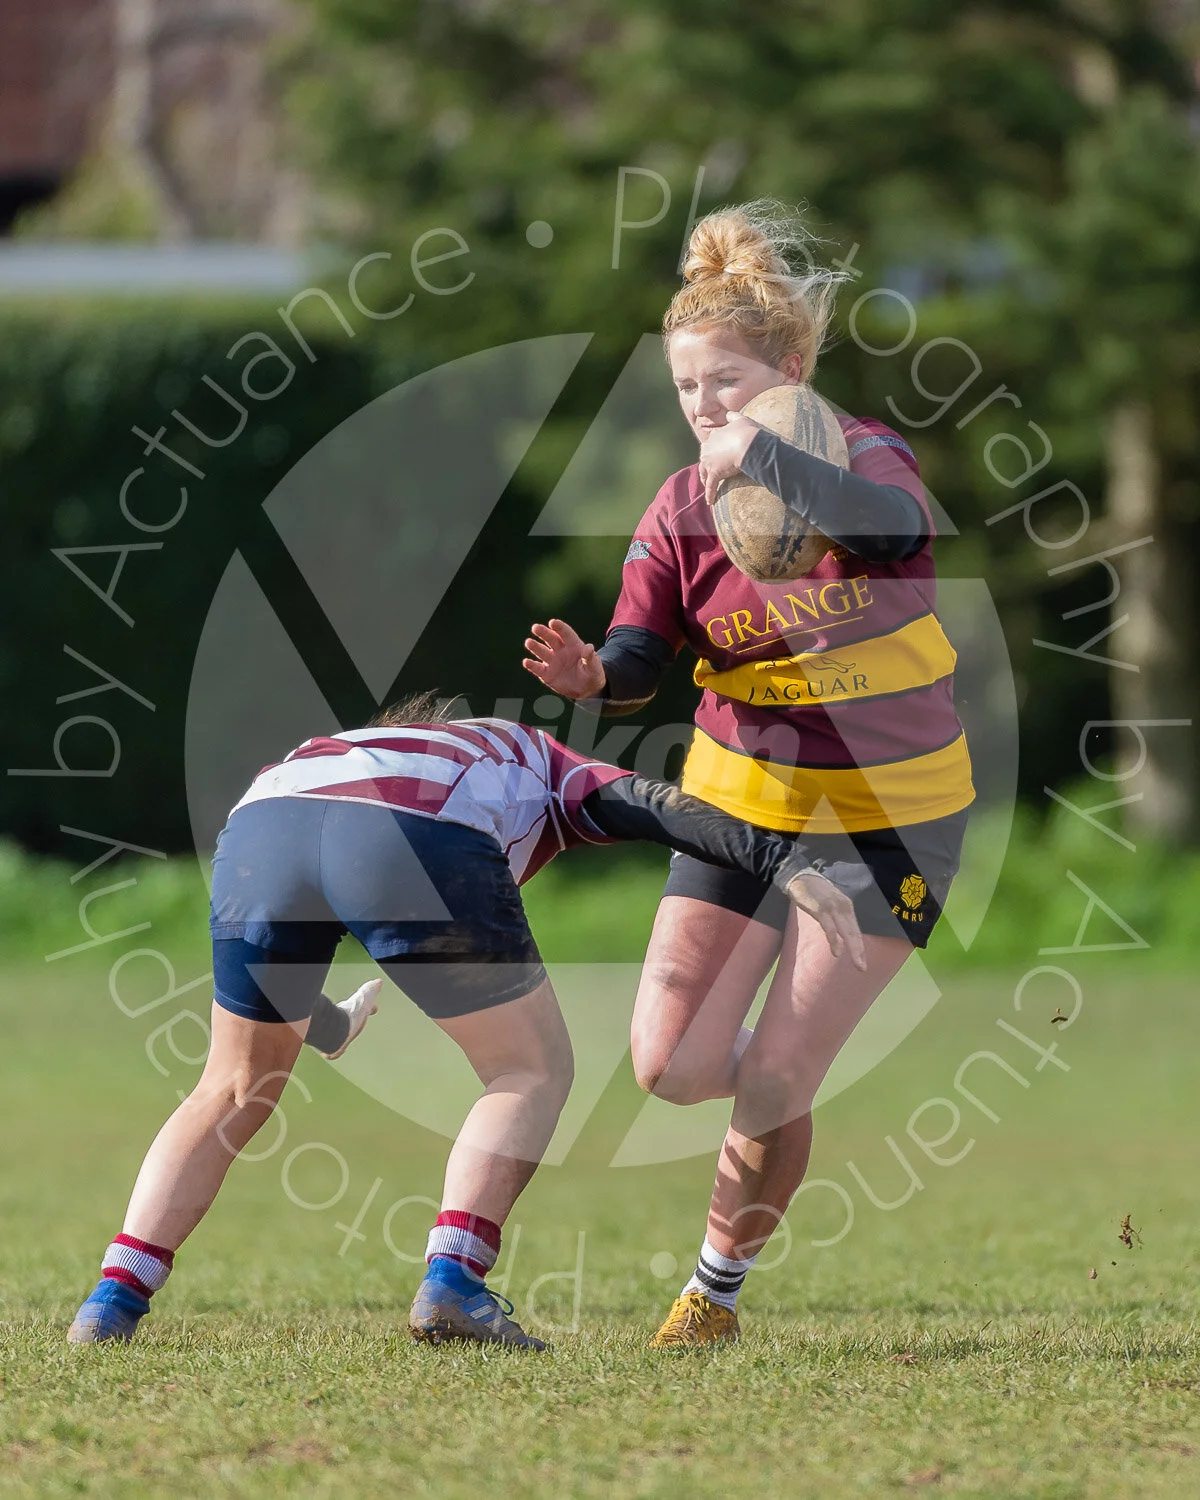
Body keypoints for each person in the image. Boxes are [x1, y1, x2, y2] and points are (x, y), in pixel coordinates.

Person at [67, 696, 868, 1351]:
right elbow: (658, 806)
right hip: (416, 827)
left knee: (232, 1084)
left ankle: (111, 1301)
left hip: (262, 823)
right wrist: (785, 864)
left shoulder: (344, 749)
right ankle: (453, 1283)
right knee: (531, 1070)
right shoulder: (540, 761)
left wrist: (331, 1027)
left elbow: (295, 918)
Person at [522, 201, 974, 1347]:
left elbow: (881, 534)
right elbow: (641, 653)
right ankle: (784, 1088)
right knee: (669, 1069)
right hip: (737, 807)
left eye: (725, 383)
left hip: (894, 821)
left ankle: (713, 1293)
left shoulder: (867, 460)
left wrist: (763, 457)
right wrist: (595, 676)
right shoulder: (681, 504)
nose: (703, 409)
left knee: (776, 1071)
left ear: (791, 369)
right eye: (686, 391)